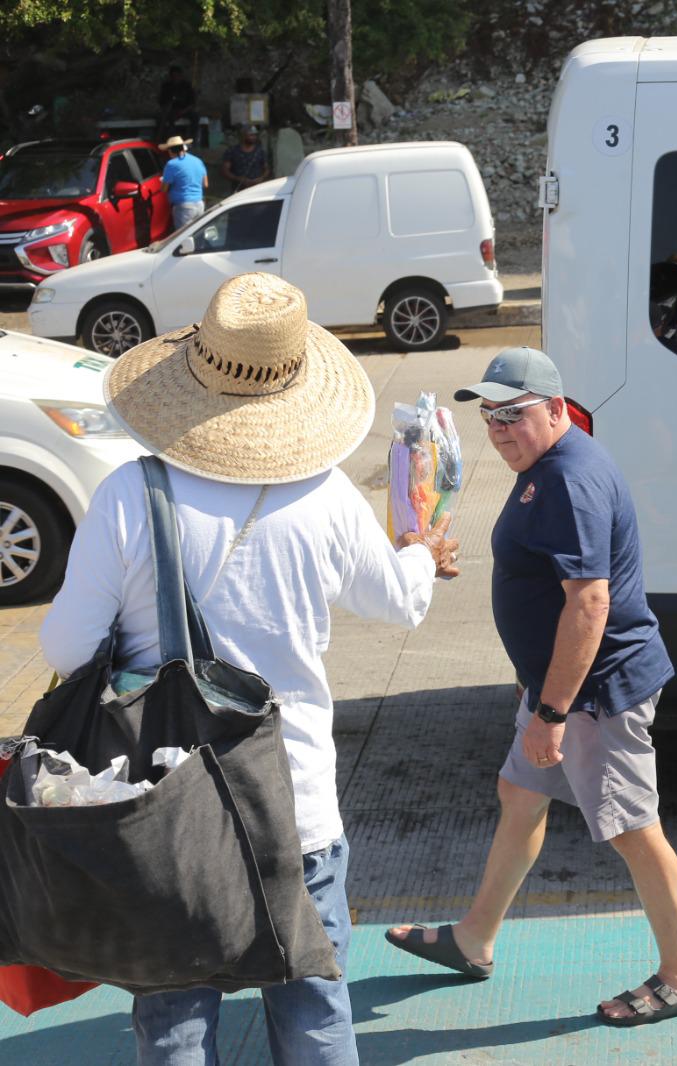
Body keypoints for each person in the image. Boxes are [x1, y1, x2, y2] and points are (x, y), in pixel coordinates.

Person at [36, 272, 459, 1065]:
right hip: (293, 802)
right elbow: (400, 603)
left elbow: (64, 650)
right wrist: (422, 551)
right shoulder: (326, 495)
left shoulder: (132, 494)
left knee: (176, 1023)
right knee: (314, 1012)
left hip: (164, 808)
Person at [384, 346, 677, 1027]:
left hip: (597, 693)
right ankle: (475, 938)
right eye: (491, 417)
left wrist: (553, 710)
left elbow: (589, 602)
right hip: (560, 687)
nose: (500, 429)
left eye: (515, 415)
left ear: (558, 409)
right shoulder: (548, 464)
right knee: (521, 793)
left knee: (633, 827)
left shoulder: (568, 479)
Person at [161, 135, 208, 228]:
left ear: (170, 151)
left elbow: (164, 189)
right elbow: (205, 184)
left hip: (183, 207)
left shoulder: (171, 164)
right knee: (197, 235)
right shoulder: (198, 160)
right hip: (199, 204)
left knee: (183, 238)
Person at [221, 125, 269, 193]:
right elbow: (225, 171)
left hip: (257, 189)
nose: (254, 137)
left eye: (255, 135)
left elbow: (266, 169)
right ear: (243, 136)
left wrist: (261, 178)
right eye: (251, 135)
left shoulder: (260, 151)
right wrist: (238, 179)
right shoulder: (232, 151)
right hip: (239, 189)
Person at [157, 64, 198, 141]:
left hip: (185, 110)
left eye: (177, 75)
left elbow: (192, 103)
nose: (175, 78)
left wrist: (183, 111)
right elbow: (162, 102)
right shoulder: (166, 86)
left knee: (195, 116)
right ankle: (166, 139)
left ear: (181, 75)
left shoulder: (187, 86)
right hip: (171, 110)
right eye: (173, 76)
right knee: (163, 119)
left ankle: (193, 139)